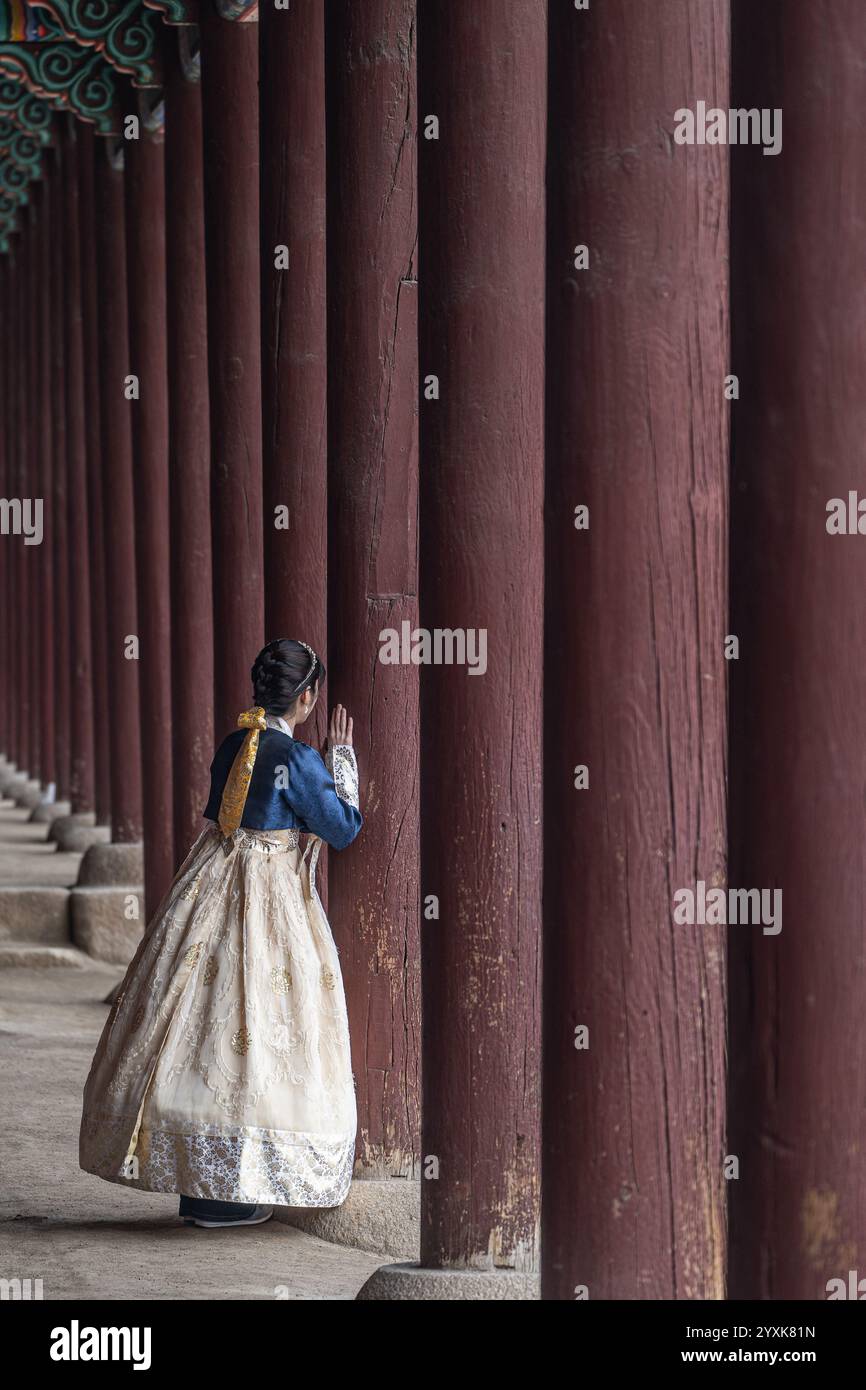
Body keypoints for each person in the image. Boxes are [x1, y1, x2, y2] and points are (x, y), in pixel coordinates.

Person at [79, 639, 362, 1228]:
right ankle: (237, 1182)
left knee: (199, 1018)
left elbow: (224, 805)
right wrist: (343, 764)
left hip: (210, 880)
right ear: (307, 697)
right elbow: (341, 830)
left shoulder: (236, 743)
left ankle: (203, 1185)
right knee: (259, 1020)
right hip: (270, 894)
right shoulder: (301, 759)